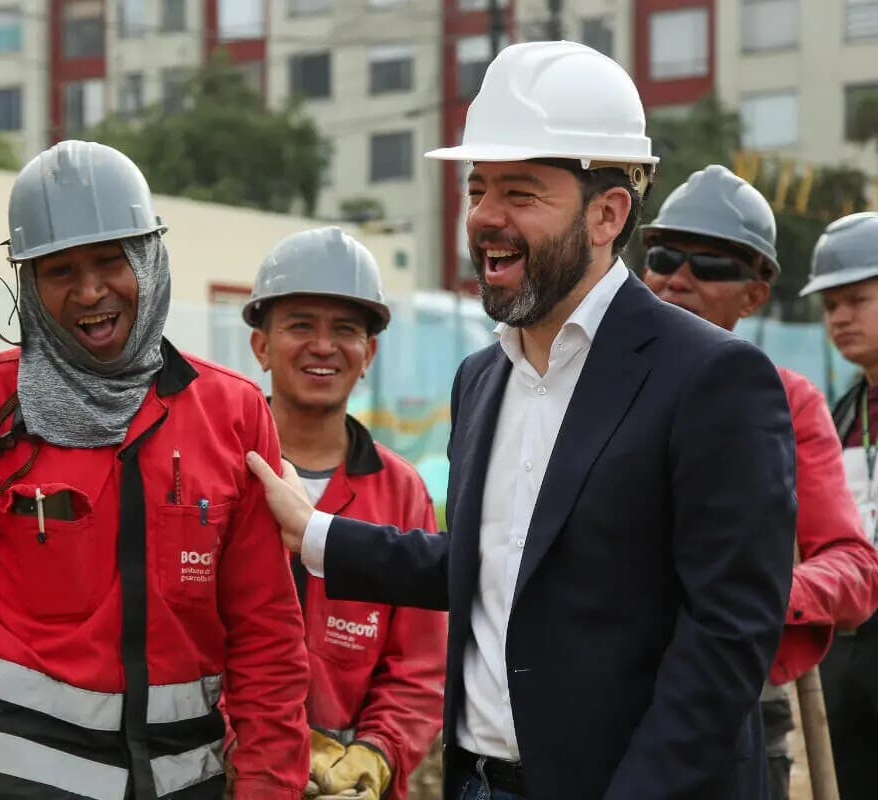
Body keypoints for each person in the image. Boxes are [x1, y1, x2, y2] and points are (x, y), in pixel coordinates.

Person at [246, 40, 797, 800]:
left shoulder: (712, 379)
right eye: (478, 189)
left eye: (522, 194)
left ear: (608, 214)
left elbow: (730, 637)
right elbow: (494, 567)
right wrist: (315, 534)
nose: (486, 220)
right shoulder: (483, 380)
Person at [0, 140, 311, 800]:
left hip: (180, 784)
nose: (91, 291)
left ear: (149, 260)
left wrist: (270, 786)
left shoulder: (232, 415)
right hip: (6, 780)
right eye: (59, 271)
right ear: (29, 288)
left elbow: (267, 640)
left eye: (108, 261)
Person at [638, 166, 878, 800]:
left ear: (755, 293)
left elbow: (854, 568)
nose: (677, 279)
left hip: (733, 707)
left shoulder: (787, 405)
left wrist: (747, 599)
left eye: (711, 266)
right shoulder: (575, 388)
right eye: (663, 256)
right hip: (591, 698)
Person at [240, 227, 447, 800]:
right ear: (261, 345)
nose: (324, 346)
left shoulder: (402, 493)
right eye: (301, 325)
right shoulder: (221, 471)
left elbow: (421, 665)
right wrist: (257, 743)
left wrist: (376, 755)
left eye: (346, 330)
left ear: (369, 354)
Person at [799, 211, 878, 800]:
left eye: (856, 299)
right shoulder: (843, 413)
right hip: (851, 649)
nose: (840, 318)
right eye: (830, 307)